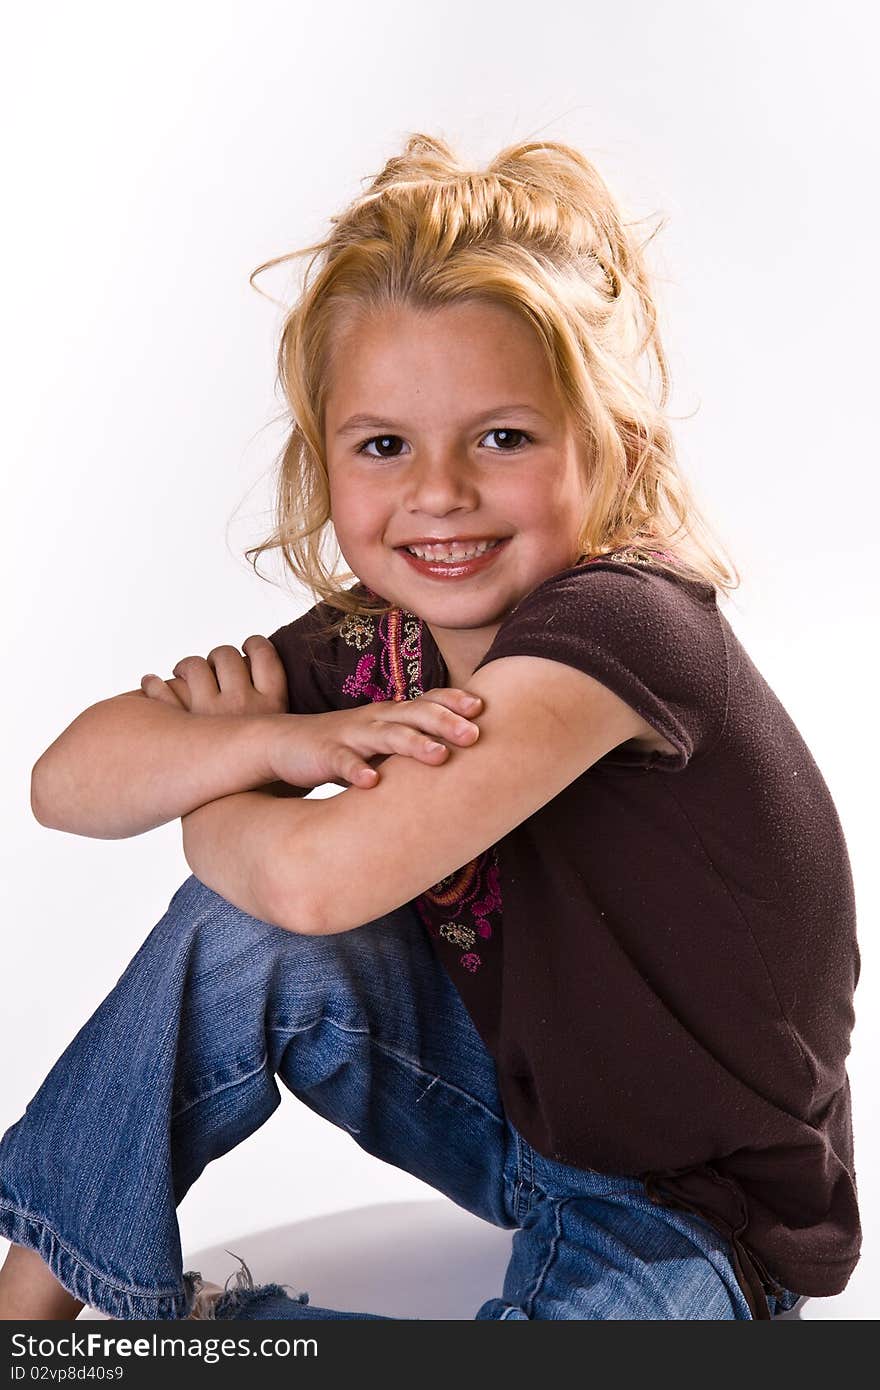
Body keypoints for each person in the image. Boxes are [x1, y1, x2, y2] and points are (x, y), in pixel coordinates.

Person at [0, 133, 858, 1322]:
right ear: (326, 460)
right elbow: (65, 782)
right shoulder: (378, 637)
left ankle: (212, 1335)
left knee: (253, 893)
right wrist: (268, 745)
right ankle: (31, 1307)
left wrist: (215, 802)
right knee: (236, 931)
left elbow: (311, 879)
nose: (438, 492)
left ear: (602, 444)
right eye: (384, 446)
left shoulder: (619, 632)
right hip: (512, 1109)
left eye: (501, 438)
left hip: (692, 1204)